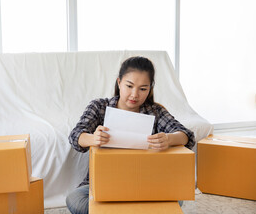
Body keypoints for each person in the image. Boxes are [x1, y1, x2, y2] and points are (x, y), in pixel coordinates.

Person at [66, 56, 195, 214]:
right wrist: (93, 138)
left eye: (143, 89)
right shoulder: (99, 106)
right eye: (129, 86)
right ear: (119, 82)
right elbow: (75, 136)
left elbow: (186, 135)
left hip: (144, 184)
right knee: (75, 200)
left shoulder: (155, 111)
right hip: (103, 184)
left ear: (150, 89)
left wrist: (169, 139)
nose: (135, 95)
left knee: (176, 199)